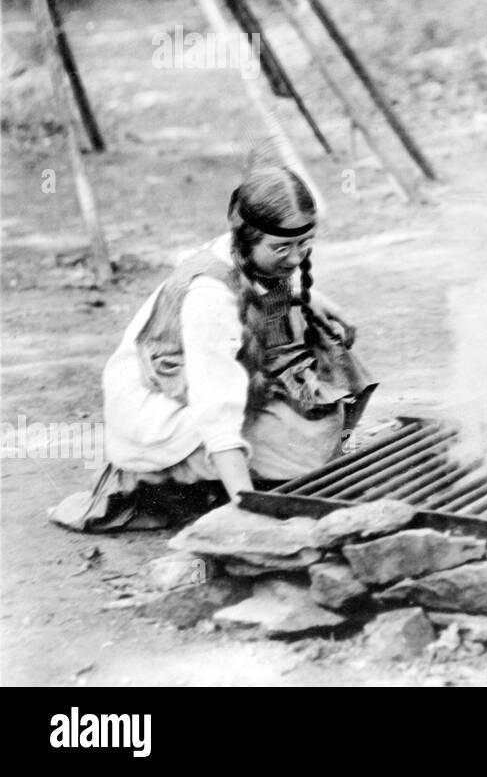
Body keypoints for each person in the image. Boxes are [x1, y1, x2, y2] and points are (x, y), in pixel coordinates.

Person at [50, 157, 376, 532]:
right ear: (248, 237)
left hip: (208, 381)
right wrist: (247, 506)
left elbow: (260, 280)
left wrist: (306, 293)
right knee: (303, 455)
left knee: (330, 359)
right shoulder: (209, 298)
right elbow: (216, 412)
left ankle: (271, 459)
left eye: (305, 244)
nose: (297, 256)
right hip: (159, 408)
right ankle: (193, 478)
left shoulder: (247, 253)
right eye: (283, 248)